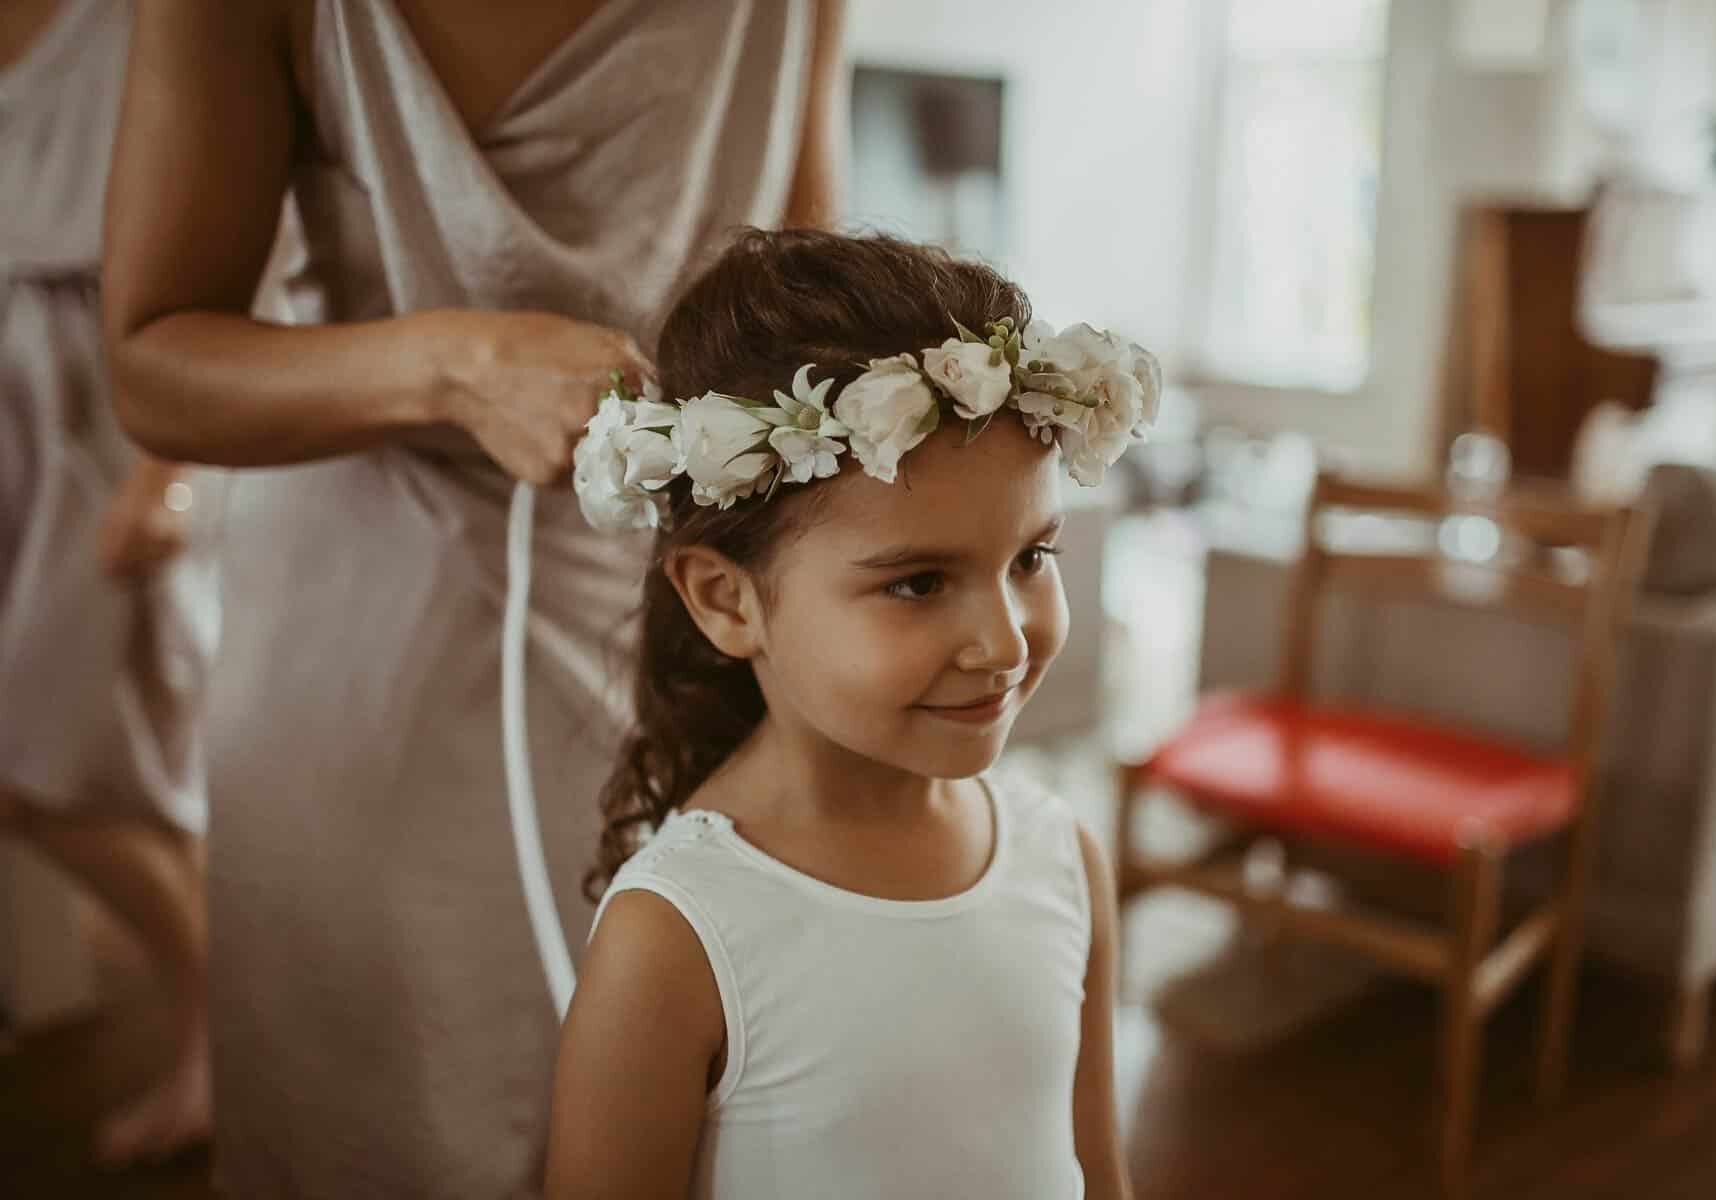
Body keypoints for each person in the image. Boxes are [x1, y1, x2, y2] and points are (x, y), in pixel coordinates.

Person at [101, 1, 844, 1194]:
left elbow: (809, 323)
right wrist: (456, 364)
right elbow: (150, 365)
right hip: (375, 631)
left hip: (686, 614)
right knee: (394, 1101)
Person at [545, 228, 1161, 1199]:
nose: (1004, 642)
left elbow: (1099, 1178)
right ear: (726, 599)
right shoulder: (674, 942)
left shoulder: (1065, 860)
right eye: (919, 583)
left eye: (1032, 560)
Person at [1, 0, 215, 1165]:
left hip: (100, 408)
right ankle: (219, 1024)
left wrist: (165, 471)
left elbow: (234, 249)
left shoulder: (147, 20)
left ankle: (217, 1026)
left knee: (57, 762)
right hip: (9, 413)